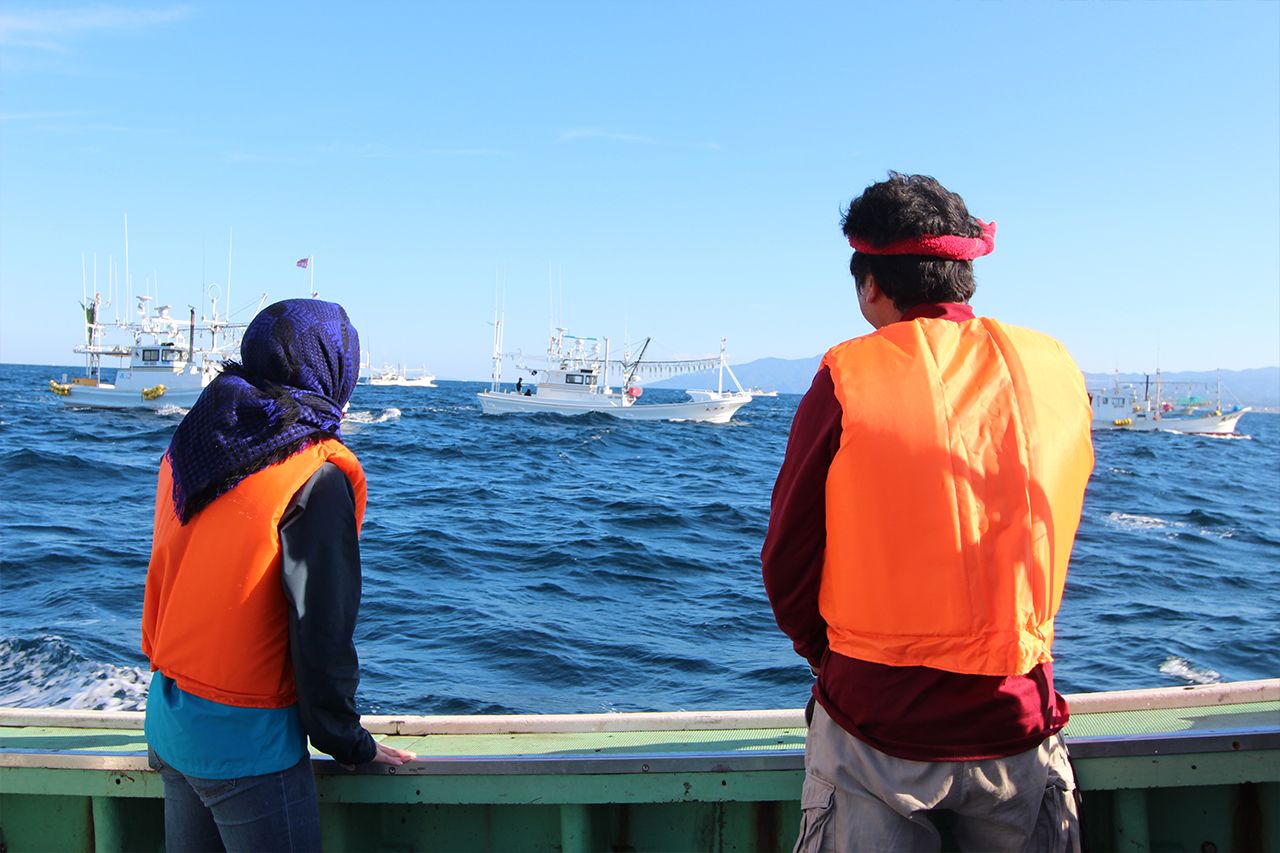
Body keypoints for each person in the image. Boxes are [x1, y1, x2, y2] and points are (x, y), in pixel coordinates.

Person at [762, 173, 1094, 852]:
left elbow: (786, 560)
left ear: (871, 286)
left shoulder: (848, 375)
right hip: (1017, 723)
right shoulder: (1055, 366)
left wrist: (834, 659)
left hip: (875, 727)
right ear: (963, 273)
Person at [141, 298, 415, 852]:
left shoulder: (197, 441)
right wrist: (349, 742)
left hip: (169, 717)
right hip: (247, 743)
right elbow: (322, 635)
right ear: (336, 370)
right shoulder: (314, 476)